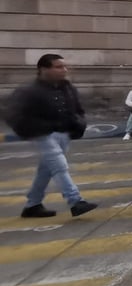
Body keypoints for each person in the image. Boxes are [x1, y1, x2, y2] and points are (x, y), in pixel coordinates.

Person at [5, 53, 96, 218]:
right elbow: (14, 115)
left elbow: (77, 109)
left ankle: (32, 204)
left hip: (63, 133)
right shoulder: (29, 91)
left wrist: (79, 124)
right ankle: (75, 201)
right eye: (58, 67)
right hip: (42, 134)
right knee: (59, 165)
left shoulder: (67, 87)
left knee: (46, 170)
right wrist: (34, 128)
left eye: (64, 66)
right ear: (43, 69)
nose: (64, 70)